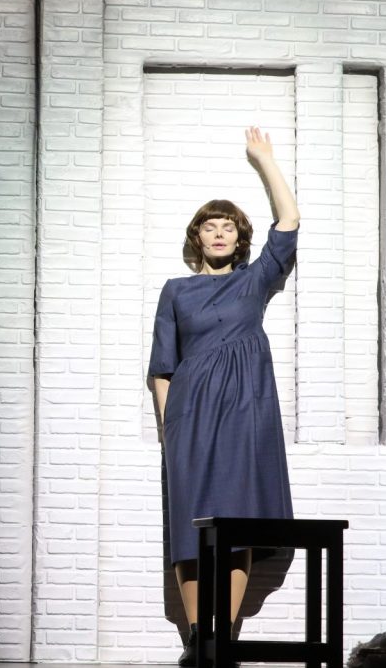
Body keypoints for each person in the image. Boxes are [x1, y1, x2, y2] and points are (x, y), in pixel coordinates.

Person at [148, 127, 299, 665]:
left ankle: (223, 637)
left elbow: (289, 223)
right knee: (189, 525)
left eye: (227, 227)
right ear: (197, 237)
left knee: (237, 524)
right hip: (189, 417)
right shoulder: (176, 291)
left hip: (245, 412)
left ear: (239, 238)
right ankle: (197, 638)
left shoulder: (255, 281)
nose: (218, 234)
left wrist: (265, 162)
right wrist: (169, 429)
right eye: (209, 227)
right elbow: (162, 367)